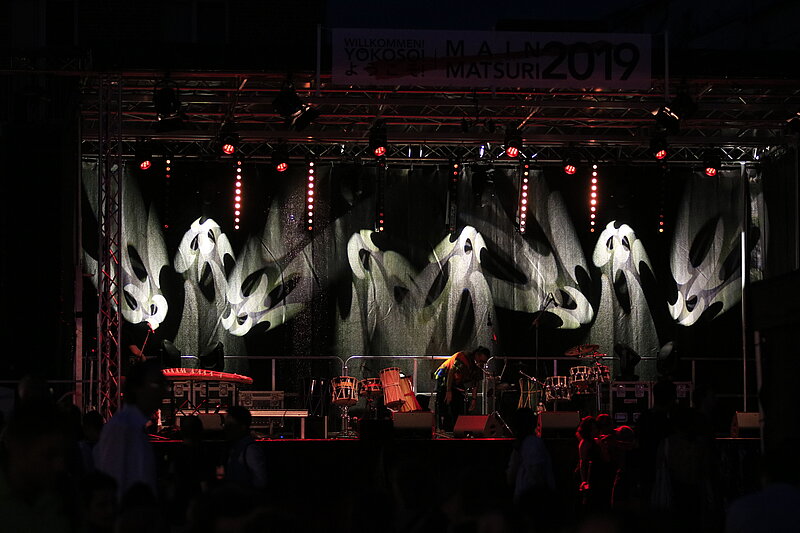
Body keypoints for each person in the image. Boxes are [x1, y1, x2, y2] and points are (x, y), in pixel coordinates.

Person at [93, 359, 167, 501]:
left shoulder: (134, 427)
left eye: (164, 385)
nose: (163, 391)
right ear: (137, 388)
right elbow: (113, 481)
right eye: (156, 384)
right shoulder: (121, 428)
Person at [434, 346, 490, 431]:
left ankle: (457, 428)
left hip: (457, 381)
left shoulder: (477, 366)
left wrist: (474, 399)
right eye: (481, 361)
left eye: (484, 362)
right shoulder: (463, 358)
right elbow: (451, 372)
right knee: (445, 402)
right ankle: (443, 428)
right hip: (445, 377)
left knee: (459, 402)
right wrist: (448, 391)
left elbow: (475, 383)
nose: (482, 363)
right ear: (477, 355)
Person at [223, 406, 267, 491]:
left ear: (242, 427)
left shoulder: (250, 450)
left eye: (230, 425)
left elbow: (260, 482)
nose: (226, 429)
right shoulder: (235, 448)